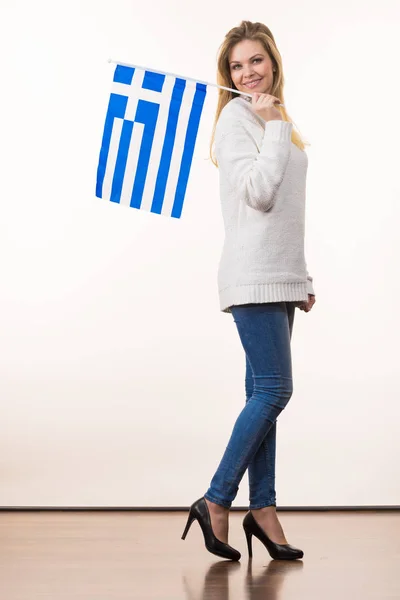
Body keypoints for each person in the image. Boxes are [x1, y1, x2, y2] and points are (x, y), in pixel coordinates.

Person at [181, 20, 316, 561]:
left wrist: (300, 277)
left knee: (260, 398)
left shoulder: (275, 117)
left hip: (277, 275)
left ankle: (263, 510)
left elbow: (287, 215)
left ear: (273, 62)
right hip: (252, 276)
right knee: (274, 392)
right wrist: (272, 126)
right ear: (228, 76)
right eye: (237, 66)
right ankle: (216, 500)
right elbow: (258, 195)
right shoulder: (238, 121)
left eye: (255, 61)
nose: (248, 72)